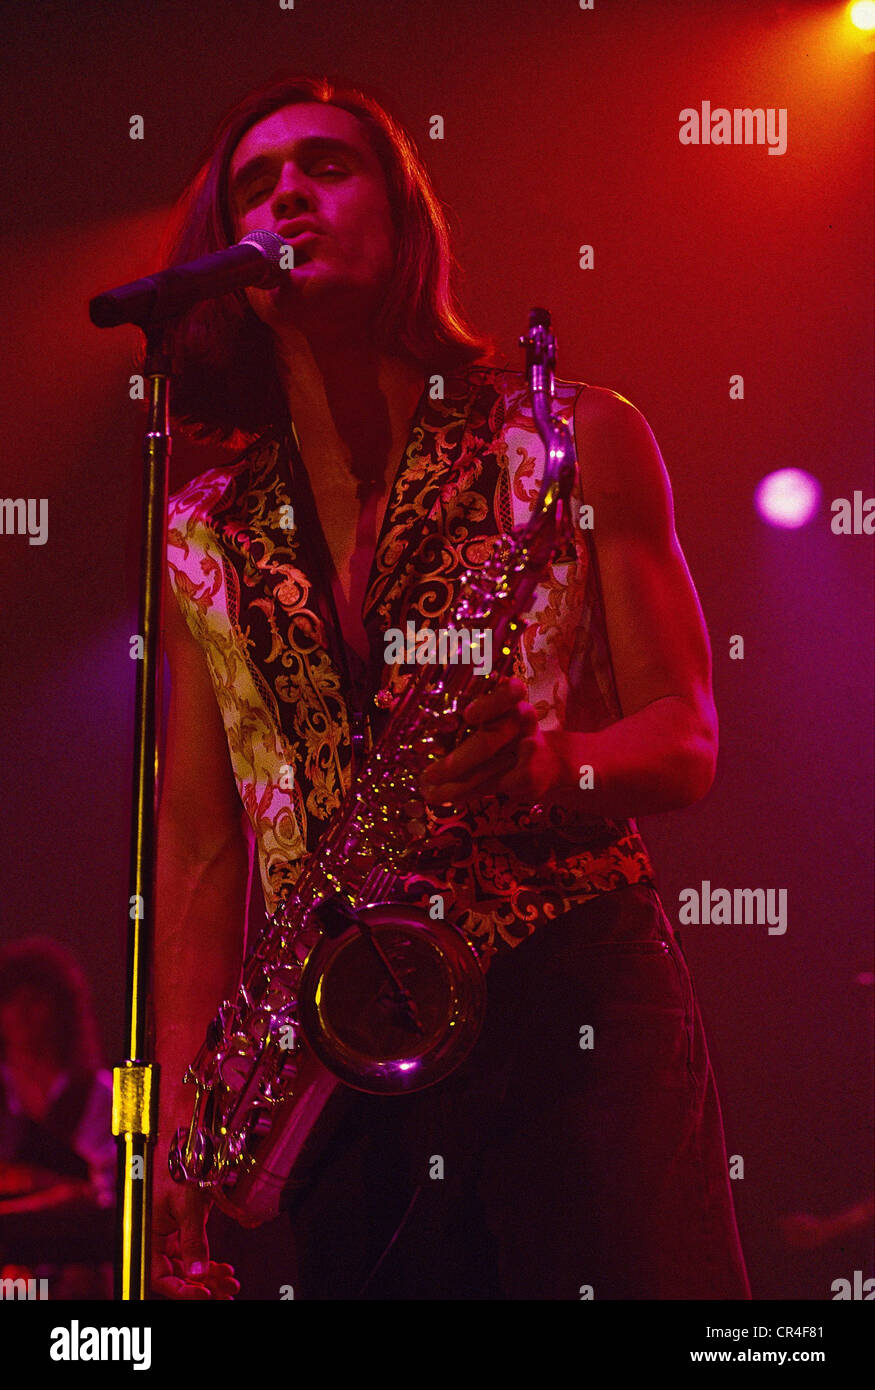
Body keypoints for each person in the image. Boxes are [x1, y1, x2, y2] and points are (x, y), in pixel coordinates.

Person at [151, 73, 750, 1300]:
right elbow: (204, 850)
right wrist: (180, 1113)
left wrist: (555, 762)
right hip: (339, 1041)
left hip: (571, 991)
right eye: (256, 185)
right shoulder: (202, 528)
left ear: (405, 218)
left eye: (326, 166)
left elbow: (685, 739)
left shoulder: (578, 436)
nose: (288, 196)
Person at [0, 937, 115, 1298]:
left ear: (62, 1009)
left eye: (34, 1000)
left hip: (73, 1279)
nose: (21, 1013)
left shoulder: (101, 1097)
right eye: (9, 1001)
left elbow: (113, 1203)